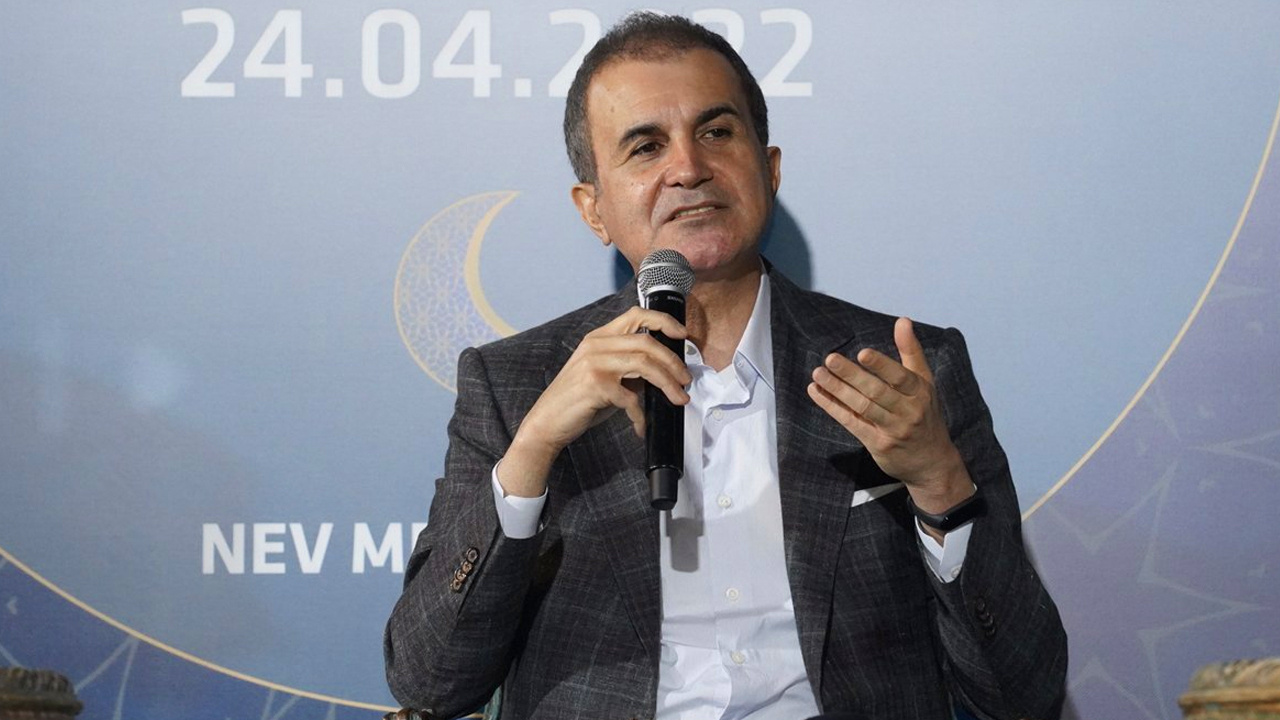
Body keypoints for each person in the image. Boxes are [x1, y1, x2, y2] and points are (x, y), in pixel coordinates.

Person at [385, 12, 1066, 720]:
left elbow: (1023, 693)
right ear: (593, 209)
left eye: (716, 132)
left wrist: (939, 482)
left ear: (769, 169)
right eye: (646, 147)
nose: (688, 168)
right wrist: (532, 451)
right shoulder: (516, 386)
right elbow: (430, 683)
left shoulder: (903, 369)